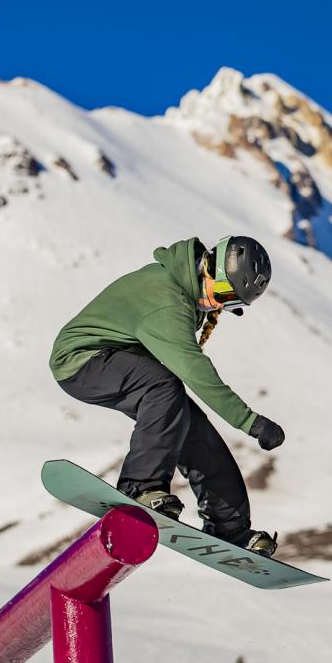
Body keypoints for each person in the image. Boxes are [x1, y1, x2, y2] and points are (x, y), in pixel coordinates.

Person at [48, 236, 285, 556]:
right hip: (81, 361)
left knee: (190, 423)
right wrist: (250, 421)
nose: (220, 305)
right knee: (164, 387)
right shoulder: (167, 298)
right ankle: (140, 486)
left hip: (118, 360)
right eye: (225, 294)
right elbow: (193, 369)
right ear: (211, 268)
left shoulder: (187, 293)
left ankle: (229, 524)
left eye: (231, 304)